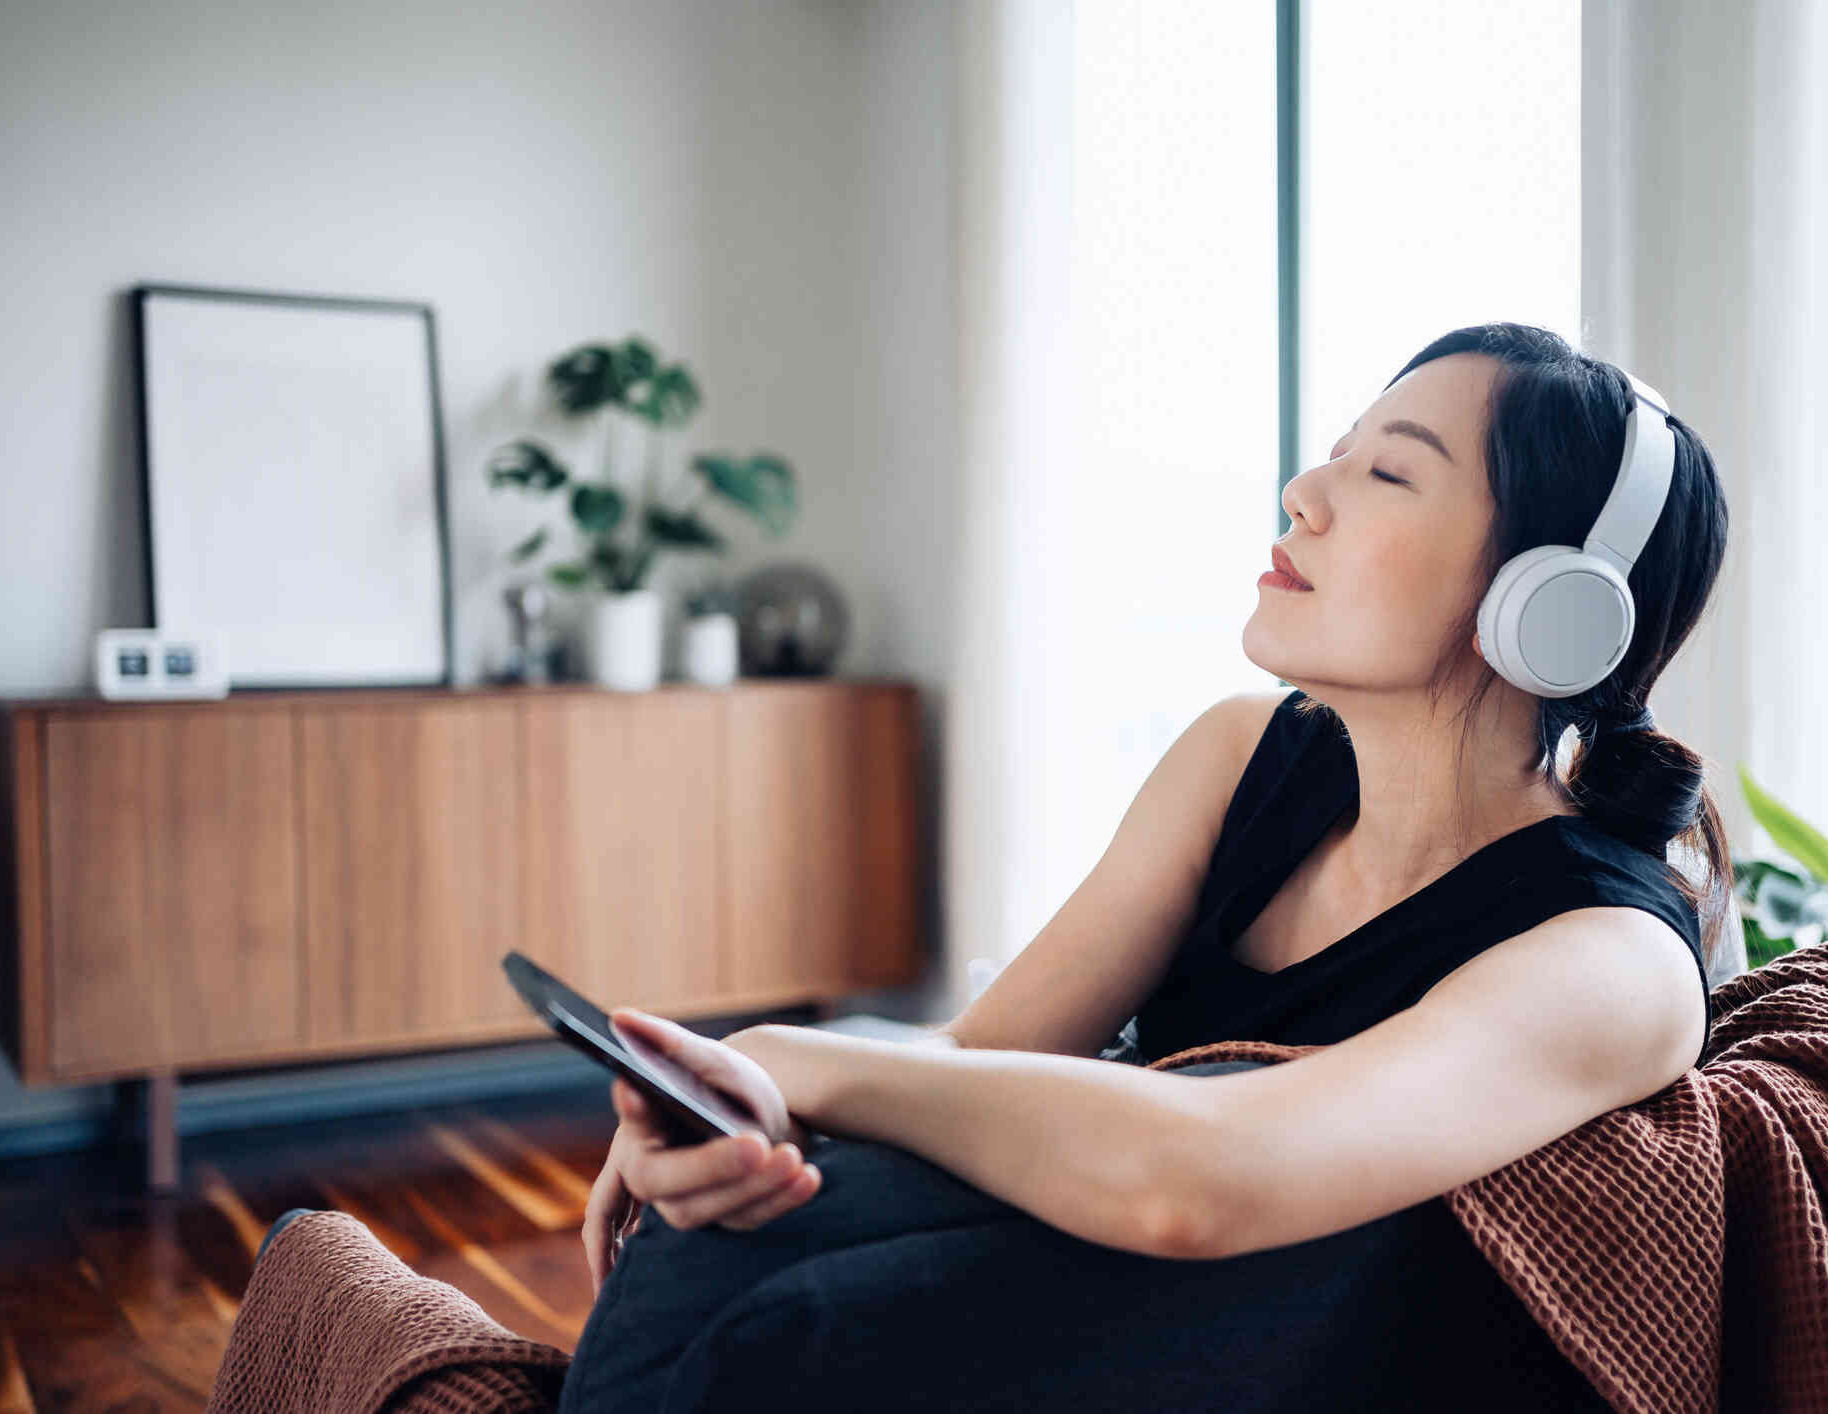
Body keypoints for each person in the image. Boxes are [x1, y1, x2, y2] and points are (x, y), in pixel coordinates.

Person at [558, 322, 1737, 1411]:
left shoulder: (1610, 957)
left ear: (1555, 603)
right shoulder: (1241, 757)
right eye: (1336, 455)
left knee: (793, 1332)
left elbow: (1205, 1177)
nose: (1304, 493)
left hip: (1264, 1361)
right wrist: (749, 1095)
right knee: (720, 1241)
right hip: (1103, 1295)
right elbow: (986, 1055)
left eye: (1389, 472)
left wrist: (801, 1057)